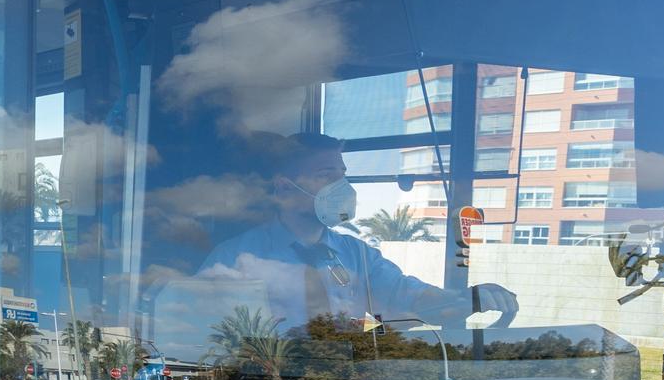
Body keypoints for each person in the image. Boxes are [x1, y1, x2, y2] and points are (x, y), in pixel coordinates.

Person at [201, 132, 519, 333]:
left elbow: (412, 299)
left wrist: (469, 299)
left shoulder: (357, 254)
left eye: (343, 175)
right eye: (326, 175)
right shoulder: (235, 257)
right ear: (285, 187)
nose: (342, 186)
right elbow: (201, 330)